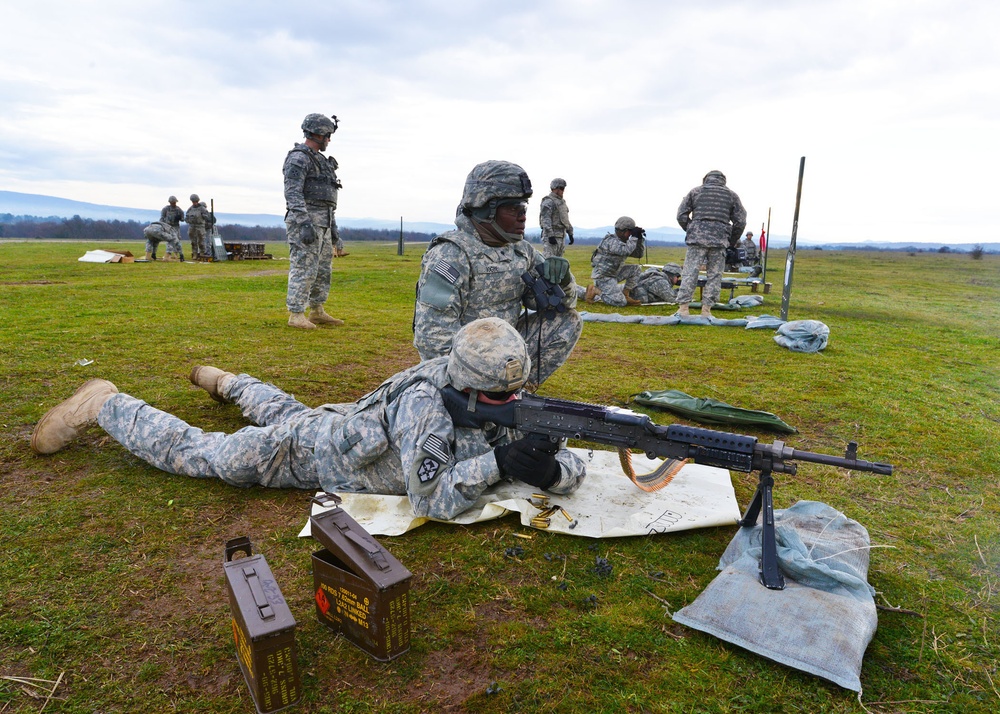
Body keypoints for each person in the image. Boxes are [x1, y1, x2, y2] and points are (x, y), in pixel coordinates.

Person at [30, 318, 587, 521]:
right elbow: (431, 500)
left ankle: (225, 381)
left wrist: (551, 472)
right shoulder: (426, 404)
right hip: (307, 454)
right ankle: (104, 403)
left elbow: (565, 456)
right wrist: (496, 462)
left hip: (341, 427)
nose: (512, 404)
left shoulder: (495, 376)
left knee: (287, 409)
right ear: (465, 381)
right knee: (210, 456)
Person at [413, 160, 581, 387]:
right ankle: (484, 401)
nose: (522, 217)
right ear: (486, 209)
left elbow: (559, 305)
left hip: (504, 349)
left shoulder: (521, 250)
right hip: (465, 360)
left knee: (568, 320)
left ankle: (516, 393)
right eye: (513, 209)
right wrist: (461, 388)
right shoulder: (451, 254)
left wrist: (563, 281)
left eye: (523, 209)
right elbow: (432, 338)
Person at [283, 113, 345, 329]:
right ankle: (296, 314)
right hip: (307, 223)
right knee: (304, 267)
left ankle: (316, 310)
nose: (329, 139)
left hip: (324, 222)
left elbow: (328, 199)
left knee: (322, 269)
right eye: (327, 135)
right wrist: (304, 223)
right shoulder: (299, 158)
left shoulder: (320, 161)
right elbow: (293, 193)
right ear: (318, 133)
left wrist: (334, 231)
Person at [674, 171, 747, 318]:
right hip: (719, 241)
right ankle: (706, 310)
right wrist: (731, 240)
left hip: (697, 240)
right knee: (715, 275)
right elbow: (740, 221)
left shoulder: (695, 192)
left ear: (706, 179)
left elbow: (681, 215)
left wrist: (692, 229)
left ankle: (683, 308)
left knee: (690, 273)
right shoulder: (731, 195)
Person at [585, 217, 645, 307]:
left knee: (636, 269)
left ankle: (626, 294)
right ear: (622, 231)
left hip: (614, 273)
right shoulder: (611, 241)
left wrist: (639, 239)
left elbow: (638, 254)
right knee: (620, 302)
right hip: (603, 277)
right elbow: (625, 250)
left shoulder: (624, 242)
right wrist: (634, 237)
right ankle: (595, 290)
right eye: (630, 232)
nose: (630, 235)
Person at [539, 178, 573, 258]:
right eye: (561, 188)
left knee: (558, 263)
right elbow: (545, 219)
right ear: (554, 188)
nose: (563, 191)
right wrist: (550, 235)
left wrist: (570, 233)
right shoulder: (548, 201)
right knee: (549, 261)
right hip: (551, 237)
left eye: (563, 189)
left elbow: (565, 219)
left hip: (561, 237)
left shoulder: (562, 202)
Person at [185, 194, 210, 261]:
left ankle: (202, 253)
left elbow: (207, 217)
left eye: (195, 201)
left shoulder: (202, 208)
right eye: (193, 201)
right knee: (193, 242)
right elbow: (187, 216)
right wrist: (188, 220)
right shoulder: (190, 208)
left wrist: (203, 216)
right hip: (192, 226)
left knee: (201, 241)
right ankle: (195, 254)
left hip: (200, 226)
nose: (194, 203)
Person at [160, 196, 185, 262]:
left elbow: (183, 218)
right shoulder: (166, 209)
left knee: (177, 240)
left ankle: (176, 254)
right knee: (170, 240)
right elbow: (162, 218)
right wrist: (162, 225)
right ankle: (169, 254)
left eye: (174, 202)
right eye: (172, 202)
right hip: (168, 227)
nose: (173, 204)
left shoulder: (178, 209)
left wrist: (179, 218)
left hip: (176, 227)